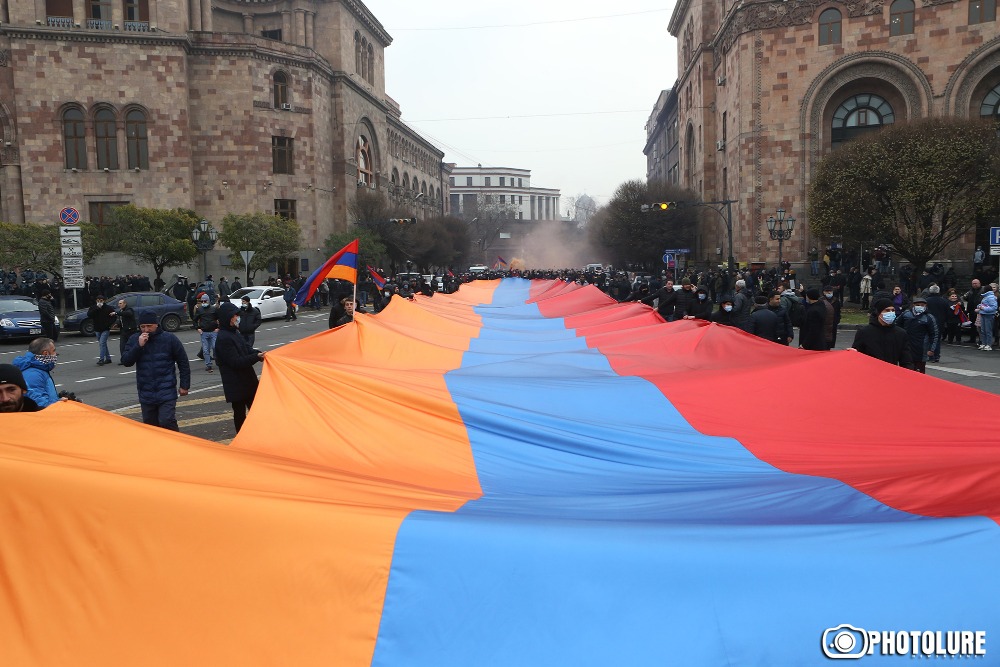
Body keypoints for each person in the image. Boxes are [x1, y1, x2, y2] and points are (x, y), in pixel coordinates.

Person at [121, 311, 190, 430]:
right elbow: (126, 361)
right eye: (143, 327)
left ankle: (176, 443)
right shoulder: (134, 339)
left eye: (149, 326)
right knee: (151, 427)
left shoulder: (169, 339)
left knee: (166, 421)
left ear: (156, 325)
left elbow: (183, 361)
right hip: (146, 392)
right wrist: (139, 346)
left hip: (166, 390)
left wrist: (184, 385)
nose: (146, 330)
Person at [213, 302, 265, 433]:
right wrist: (257, 357)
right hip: (236, 384)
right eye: (234, 316)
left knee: (256, 411)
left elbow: (246, 348)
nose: (237, 318)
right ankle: (243, 439)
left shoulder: (234, 332)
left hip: (246, 381)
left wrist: (257, 353)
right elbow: (236, 362)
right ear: (227, 318)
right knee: (240, 414)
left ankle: (257, 435)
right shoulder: (224, 338)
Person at [851, 298, 913, 368]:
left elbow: (906, 360)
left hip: (891, 373)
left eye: (893, 310)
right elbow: (856, 355)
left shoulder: (900, 333)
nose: (891, 313)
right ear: (878, 313)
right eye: (887, 310)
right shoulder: (864, 332)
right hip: (870, 372)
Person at [896, 294, 939, 373]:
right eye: (917, 305)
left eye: (922, 305)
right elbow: (897, 325)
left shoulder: (929, 318)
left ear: (925, 306)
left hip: (921, 349)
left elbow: (934, 334)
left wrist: (932, 349)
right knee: (905, 371)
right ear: (913, 305)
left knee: (919, 372)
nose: (920, 306)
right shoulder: (906, 314)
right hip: (906, 347)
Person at [12, 337, 59, 408]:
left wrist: (58, 397)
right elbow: (38, 403)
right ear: (45, 353)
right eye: (54, 351)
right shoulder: (33, 374)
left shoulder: (39, 369)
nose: (56, 354)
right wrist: (59, 403)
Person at [87, 295, 118, 365]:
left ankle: (101, 359)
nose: (99, 302)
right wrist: (97, 308)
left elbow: (114, 317)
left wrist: (109, 324)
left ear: (104, 301)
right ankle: (108, 358)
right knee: (103, 344)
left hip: (105, 329)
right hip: (97, 328)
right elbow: (89, 315)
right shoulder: (93, 307)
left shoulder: (108, 308)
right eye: (98, 301)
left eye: (101, 301)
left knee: (102, 343)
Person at [194, 294, 219, 372]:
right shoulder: (199, 309)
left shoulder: (214, 309)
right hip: (204, 332)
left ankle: (217, 359)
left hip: (213, 331)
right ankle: (208, 365)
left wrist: (218, 328)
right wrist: (198, 328)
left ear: (208, 301)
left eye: (205, 301)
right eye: (202, 301)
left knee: (215, 347)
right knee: (205, 350)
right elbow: (195, 320)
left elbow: (219, 318)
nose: (204, 302)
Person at [974, 284, 997, 351]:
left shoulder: (991, 297)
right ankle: (984, 343)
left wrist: (983, 308)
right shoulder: (986, 297)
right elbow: (984, 305)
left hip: (989, 315)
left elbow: (993, 308)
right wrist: (979, 306)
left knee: (988, 330)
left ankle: (989, 345)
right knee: (983, 330)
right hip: (983, 314)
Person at [116, 298, 138, 364]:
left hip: (131, 330)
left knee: (132, 344)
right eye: (118, 303)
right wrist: (118, 324)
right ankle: (124, 359)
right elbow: (121, 320)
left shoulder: (129, 310)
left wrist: (117, 313)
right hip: (123, 331)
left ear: (125, 304)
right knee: (122, 346)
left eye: (120, 303)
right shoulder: (121, 311)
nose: (119, 305)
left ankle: (135, 357)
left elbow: (128, 314)